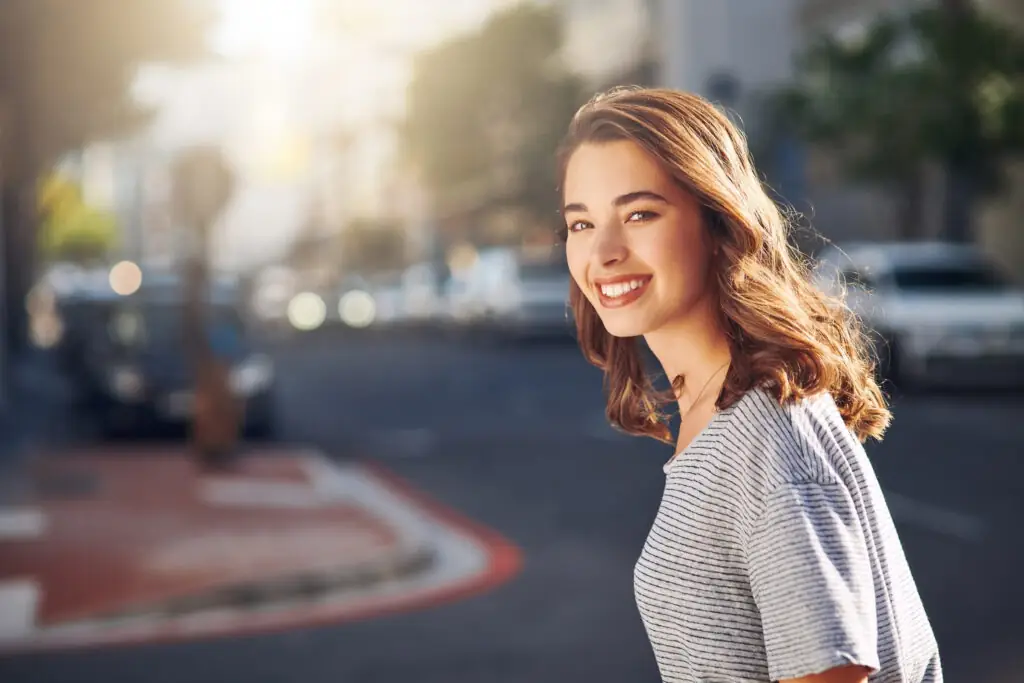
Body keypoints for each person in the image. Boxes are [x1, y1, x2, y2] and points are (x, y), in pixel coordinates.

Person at [558, 87, 942, 683]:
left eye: (639, 214)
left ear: (717, 222)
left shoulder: (765, 435)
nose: (603, 252)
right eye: (581, 223)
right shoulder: (719, 410)